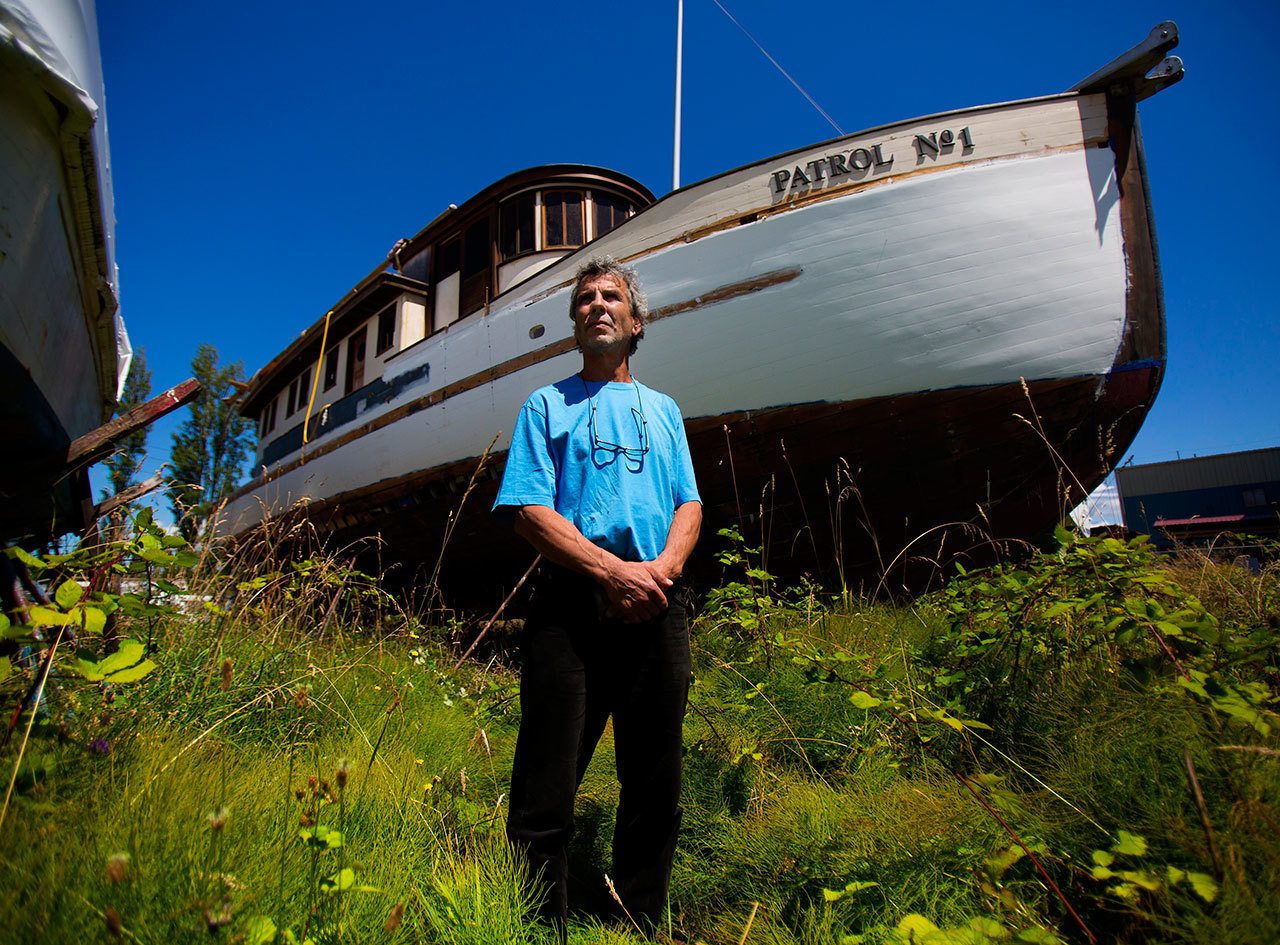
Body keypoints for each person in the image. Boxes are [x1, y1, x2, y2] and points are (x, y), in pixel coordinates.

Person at [493, 255, 702, 935]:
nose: (598, 304)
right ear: (575, 323)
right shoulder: (545, 405)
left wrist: (660, 571)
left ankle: (638, 914)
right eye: (585, 298)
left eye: (612, 296)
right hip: (571, 604)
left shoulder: (664, 409)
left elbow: (688, 504)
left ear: (636, 322)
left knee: (654, 773)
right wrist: (611, 573)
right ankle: (535, 921)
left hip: (657, 600)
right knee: (546, 777)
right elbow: (527, 508)